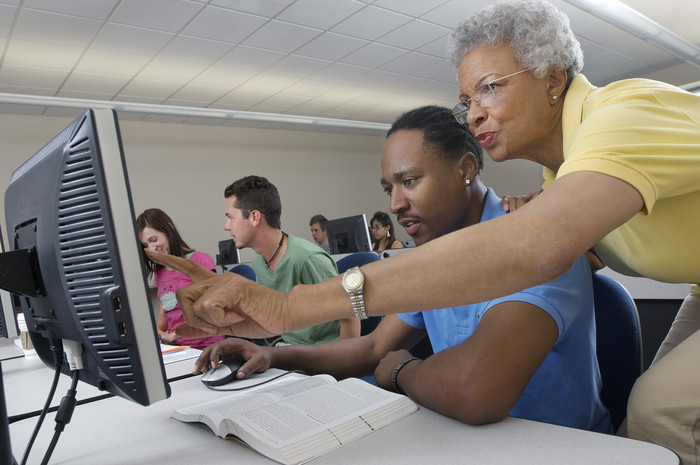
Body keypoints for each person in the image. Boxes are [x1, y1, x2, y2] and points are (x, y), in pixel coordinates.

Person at [149, 1, 700, 460]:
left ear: (554, 79)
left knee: (658, 411)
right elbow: (372, 349)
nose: (474, 113)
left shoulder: (619, 117)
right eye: (467, 100)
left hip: (541, 443)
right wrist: (273, 352)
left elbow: (538, 249)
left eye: (488, 88)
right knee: (651, 431)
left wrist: (292, 311)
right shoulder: (557, 178)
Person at [187, 106, 611, 433]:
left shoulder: (536, 241)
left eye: (410, 182)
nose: (394, 205)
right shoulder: (433, 258)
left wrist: (403, 371)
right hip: (463, 438)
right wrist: (272, 355)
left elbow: (474, 390)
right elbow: (372, 349)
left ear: (466, 169)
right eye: (389, 189)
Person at [223, 176, 359, 343]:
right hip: (290, 350)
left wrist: (342, 364)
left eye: (230, 217)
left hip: (323, 358)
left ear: (254, 217)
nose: (226, 226)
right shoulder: (259, 261)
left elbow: (350, 316)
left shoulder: (308, 259)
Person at [136, 208, 224, 350]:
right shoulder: (160, 272)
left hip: (206, 346)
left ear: (169, 229)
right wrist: (154, 334)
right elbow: (164, 314)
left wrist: (174, 335)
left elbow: (212, 310)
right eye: (146, 245)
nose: (152, 248)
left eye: (154, 240)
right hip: (179, 348)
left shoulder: (199, 260)